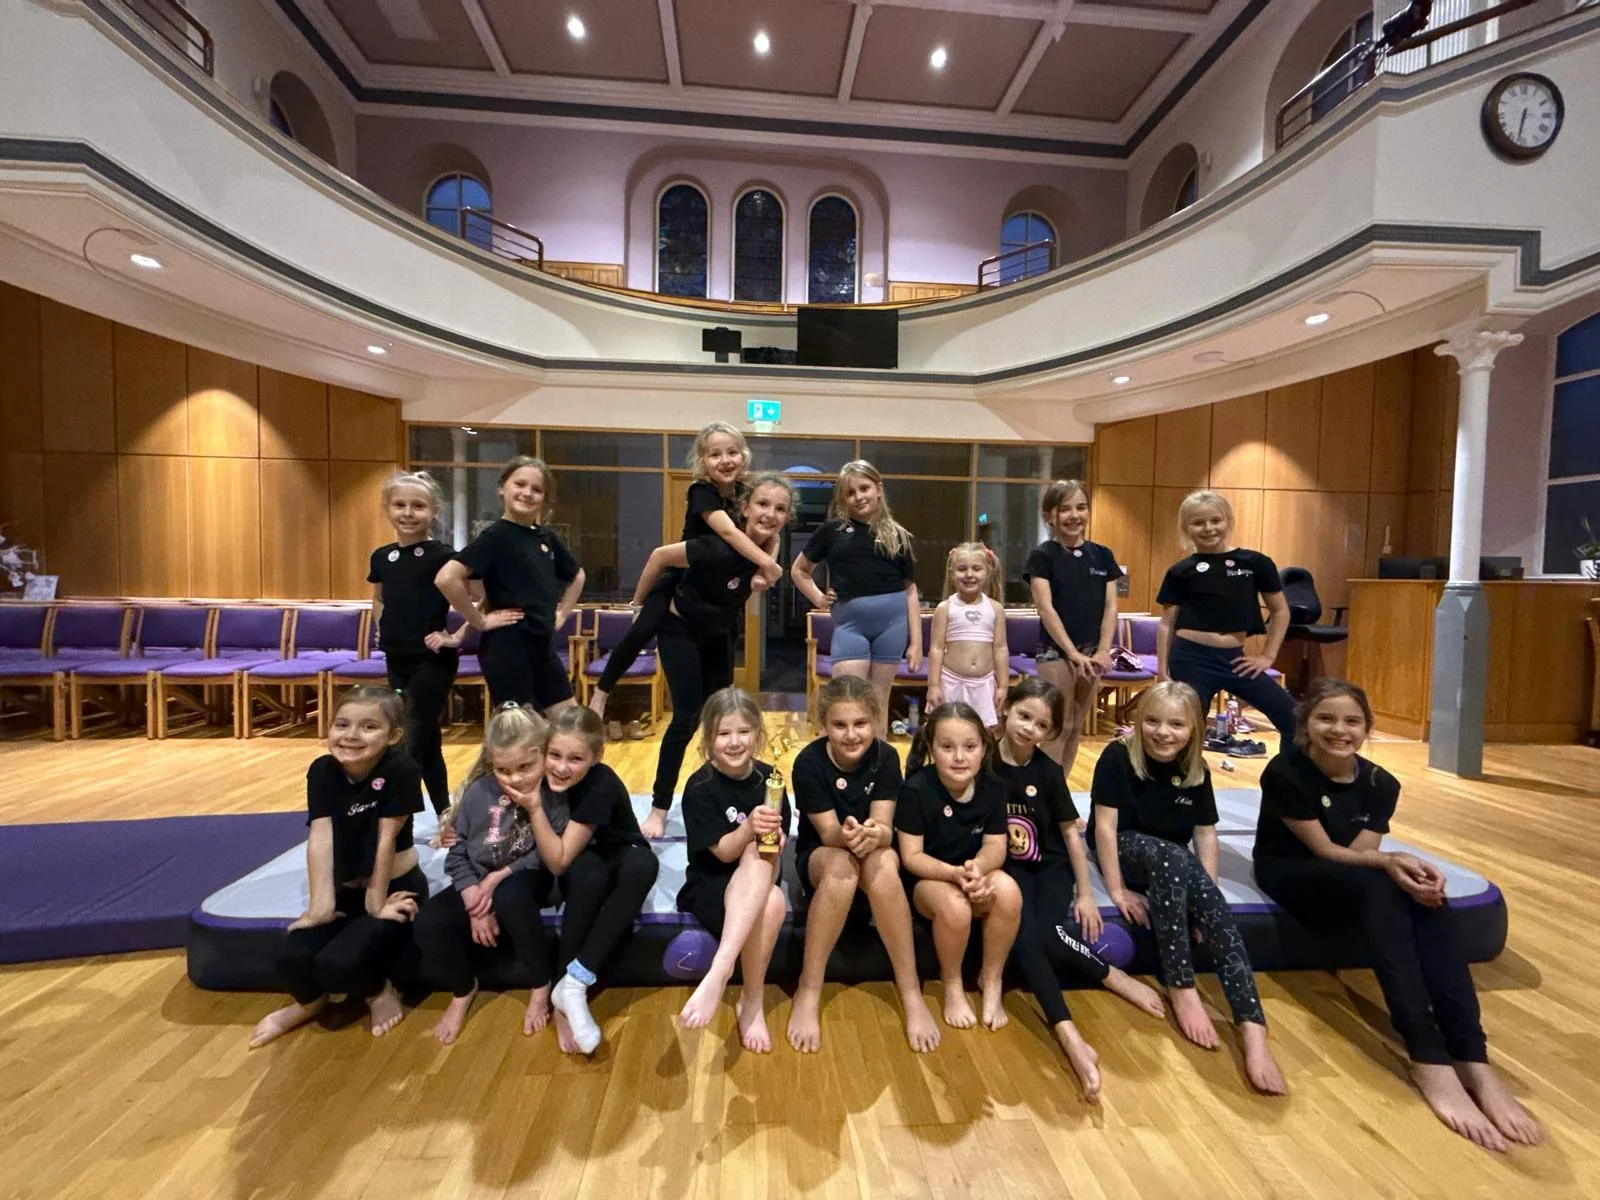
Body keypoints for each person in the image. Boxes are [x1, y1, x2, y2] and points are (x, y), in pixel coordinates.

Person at [1254, 679, 1542, 1150]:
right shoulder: (1286, 772)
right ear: (1305, 723)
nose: (1338, 730)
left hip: (1349, 874)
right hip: (1291, 872)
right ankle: (1427, 1055)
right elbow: (1326, 851)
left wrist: (1409, 875)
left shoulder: (1380, 784)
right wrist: (1392, 864)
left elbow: (1362, 853)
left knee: (1428, 898)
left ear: (1368, 728)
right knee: (1386, 885)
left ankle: (1472, 1054)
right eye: (1326, 718)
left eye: (1352, 721)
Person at [1090, 681, 1286, 1094]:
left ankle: (1252, 1027)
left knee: (1208, 901)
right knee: (1170, 856)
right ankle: (1181, 985)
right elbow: (1105, 828)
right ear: (1140, 722)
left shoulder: (1196, 768)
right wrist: (1118, 889)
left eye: (1176, 725)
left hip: (1172, 863)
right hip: (1129, 848)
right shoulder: (1117, 757)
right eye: (1153, 722)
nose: (1163, 733)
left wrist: (1205, 897)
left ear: (1193, 730)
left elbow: (1205, 835)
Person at [996, 678, 1165, 1100]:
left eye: (1041, 725)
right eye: (1024, 716)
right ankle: (1072, 1029)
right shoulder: (983, 761)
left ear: (1050, 734)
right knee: (1025, 938)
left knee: (1047, 936)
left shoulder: (1047, 773)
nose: (1029, 729)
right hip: (1006, 869)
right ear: (1005, 709)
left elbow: (1072, 834)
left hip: (1049, 867)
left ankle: (1104, 989)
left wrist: (1087, 893)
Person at [249, 686, 426, 1047]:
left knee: (340, 964)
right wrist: (321, 905)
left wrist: (376, 904)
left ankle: (380, 992)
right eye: (341, 724)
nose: (351, 735)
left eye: (368, 727)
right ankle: (310, 1004)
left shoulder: (401, 769)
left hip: (393, 886)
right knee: (291, 956)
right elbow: (321, 836)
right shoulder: (323, 771)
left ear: (393, 736)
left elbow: (385, 841)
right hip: (345, 888)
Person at [588, 422, 783, 721]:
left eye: (732, 452)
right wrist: (637, 603)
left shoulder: (745, 493)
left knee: (724, 636)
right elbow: (729, 533)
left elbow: (773, 534)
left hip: (712, 584)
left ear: (743, 456)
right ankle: (601, 692)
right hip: (681, 572)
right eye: (715, 454)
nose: (725, 460)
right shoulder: (702, 491)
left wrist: (764, 568)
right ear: (702, 461)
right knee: (641, 630)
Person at [637, 472, 794, 838]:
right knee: (687, 718)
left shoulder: (769, 545)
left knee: (724, 716)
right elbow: (660, 556)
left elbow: (771, 546)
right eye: (762, 504)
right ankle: (660, 807)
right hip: (680, 632)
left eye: (780, 508)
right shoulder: (716, 545)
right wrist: (639, 604)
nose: (770, 514)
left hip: (719, 634)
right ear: (744, 507)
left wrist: (766, 569)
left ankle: (719, 791)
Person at [788, 676, 940, 1054]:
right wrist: (851, 834)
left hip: (872, 853)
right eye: (840, 725)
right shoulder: (808, 763)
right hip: (825, 857)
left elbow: (886, 827)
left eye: (861, 724)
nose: (851, 734)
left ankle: (911, 992)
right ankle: (809, 989)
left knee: (884, 865)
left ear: (876, 722)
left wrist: (875, 834)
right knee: (842, 867)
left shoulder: (886, 758)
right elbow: (826, 833)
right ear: (824, 726)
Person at [413, 704, 558, 1045]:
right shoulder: (479, 793)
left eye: (525, 766)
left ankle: (541, 983)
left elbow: (552, 852)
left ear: (543, 754)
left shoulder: (553, 792)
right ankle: (463, 989)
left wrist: (498, 879)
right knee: (429, 922)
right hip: (480, 882)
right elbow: (458, 853)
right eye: (504, 770)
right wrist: (472, 898)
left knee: (511, 896)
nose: (516, 778)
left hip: (529, 876)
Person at [521, 706, 658, 1055]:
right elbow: (562, 862)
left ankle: (574, 981)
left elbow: (560, 858)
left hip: (616, 849)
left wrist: (536, 809)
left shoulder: (601, 784)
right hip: (581, 858)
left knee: (643, 865)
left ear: (596, 757)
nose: (562, 767)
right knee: (588, 878)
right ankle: (563, 986)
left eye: (575, 759)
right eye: (555, 755)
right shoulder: (535, 772)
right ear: (543, 750)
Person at [675, 688, 791, 1052]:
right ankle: (748, 998)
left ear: (757, 733)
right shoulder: (700, 787)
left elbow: (774, 848)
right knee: (772, 904)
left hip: (760, 870)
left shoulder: (771, 779)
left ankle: (725, 974)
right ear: (709, 739)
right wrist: (749, 828)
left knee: (760, 853)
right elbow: (724, 853)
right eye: (724, 734)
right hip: (713, 881)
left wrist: (775, 837)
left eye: (743, 732)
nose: (735, 741)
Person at [895, 702, 1020, 1031]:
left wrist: (977, 869)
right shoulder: (916, 790)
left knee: (1008, 891)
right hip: (930, 880)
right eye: (947, 747)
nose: (959, 757)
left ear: (984, 748)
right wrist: (954, 874)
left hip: (970, 872)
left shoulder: (993, 788)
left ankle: (991, 980)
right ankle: (951, 983)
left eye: (969, 747)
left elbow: (996, 845)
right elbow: (912, 857)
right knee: (955, 907)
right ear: (932, 749)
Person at [436, 456, 584, 712]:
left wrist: (562, 613)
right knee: (519, 733)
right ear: (502, 487)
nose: (527, 493)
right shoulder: (496, 536)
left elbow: (577, 575)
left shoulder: (545, 536)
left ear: (544, 498)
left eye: (537, 489)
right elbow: (447, 578)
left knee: (569, 723)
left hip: (542, 646)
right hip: (508, 648)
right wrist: (479, 622)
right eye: (520, 484)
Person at [790, 460, 920, 738]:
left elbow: (910, 590)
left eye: (864, 488)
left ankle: (878, 770)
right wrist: (818, 598)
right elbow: (799, 570)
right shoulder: (831, 531)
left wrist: (917, 643)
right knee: (846, 701)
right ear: (843, 499)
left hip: (892, 627)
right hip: (851, 627)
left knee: (879, 701)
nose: (859, 496)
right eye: (851, 492)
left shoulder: (898, 535)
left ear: (879, 489)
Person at [1155, 489, 1294, 741]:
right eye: (1198, 523)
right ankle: (1188, 779)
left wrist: (1267, 656)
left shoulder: (1256, 563)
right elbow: (1167, 624)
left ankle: (1288, 778)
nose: (1208, 528)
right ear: (1186, 528)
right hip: (1190, 659)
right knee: (1185, 730)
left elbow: (1281, 611)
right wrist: (1162, 671)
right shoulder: (1180, 570)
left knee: (1292, 717)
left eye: (1215, 520)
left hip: (1235, 660)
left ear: (1228, 521)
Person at [367, 470, 463, 813]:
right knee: (426, 739)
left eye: (418, 506)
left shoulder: (442, 556)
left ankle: (396, 812)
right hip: (396, 656)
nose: (408, 512)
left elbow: (482, 596)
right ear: (387, 509)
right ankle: (443, 811)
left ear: (434, 511)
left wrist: (457, 634)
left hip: (431, 659)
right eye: (400, 505)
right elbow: (379, 598)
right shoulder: (382, 557)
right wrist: (381, 627)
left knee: (412, 733)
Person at [1023, 479, 1120, 779]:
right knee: (1057, 727)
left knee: (1076, 726)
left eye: (1081, 507)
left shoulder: (1102, 555)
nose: (1074, 515)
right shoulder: (1043, 556)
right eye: (1065, 509)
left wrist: (1104, 650)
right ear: (1050, 516)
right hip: (1056, 652)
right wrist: (1071, 652)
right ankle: (1045, 799)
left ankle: (1061, 794)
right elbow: (1045, 608)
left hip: (1092, 653)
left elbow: (1110, 606)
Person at [926, 543, 1008, 730]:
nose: (969, 574)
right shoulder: (945, 608)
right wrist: (933, 685)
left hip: (984, 685)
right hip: (951, 683)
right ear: (952, 573)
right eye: (962, 569)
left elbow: (1000, 649)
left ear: (987, 572)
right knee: (947, 730)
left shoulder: (995, 609)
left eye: (976, 568)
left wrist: (1002, 686)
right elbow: (936, 649)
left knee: (984, 735)